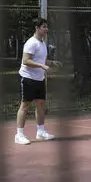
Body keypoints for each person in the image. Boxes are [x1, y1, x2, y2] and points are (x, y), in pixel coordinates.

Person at [14, 17, 56, 145]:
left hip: (39, 79)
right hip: (27, 78)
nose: (46, 29)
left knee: (41, 104)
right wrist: (42, 66)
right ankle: (19, 135)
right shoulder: (31, 43)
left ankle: (41, 132)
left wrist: (52, 63)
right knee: (25, 105)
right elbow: (26, 60)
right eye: (44, 27)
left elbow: (40, 59)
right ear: (37, 28)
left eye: (47, 27)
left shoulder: (42, 43)